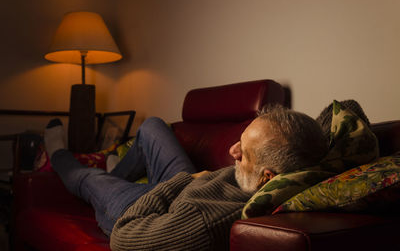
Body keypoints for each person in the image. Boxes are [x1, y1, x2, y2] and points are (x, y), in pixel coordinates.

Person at [44, 105, 328, 250]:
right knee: (152, 126)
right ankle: (117, 174)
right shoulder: (302, 158)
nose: (232, 151)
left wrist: (183, 182)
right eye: (239, 140)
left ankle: (57, 153)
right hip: (192, 185)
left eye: (244, 153)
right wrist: (191, 180)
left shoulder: (204, 223)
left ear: (267, 178)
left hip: (145, 207)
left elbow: (123, 238)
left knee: (89, 178)